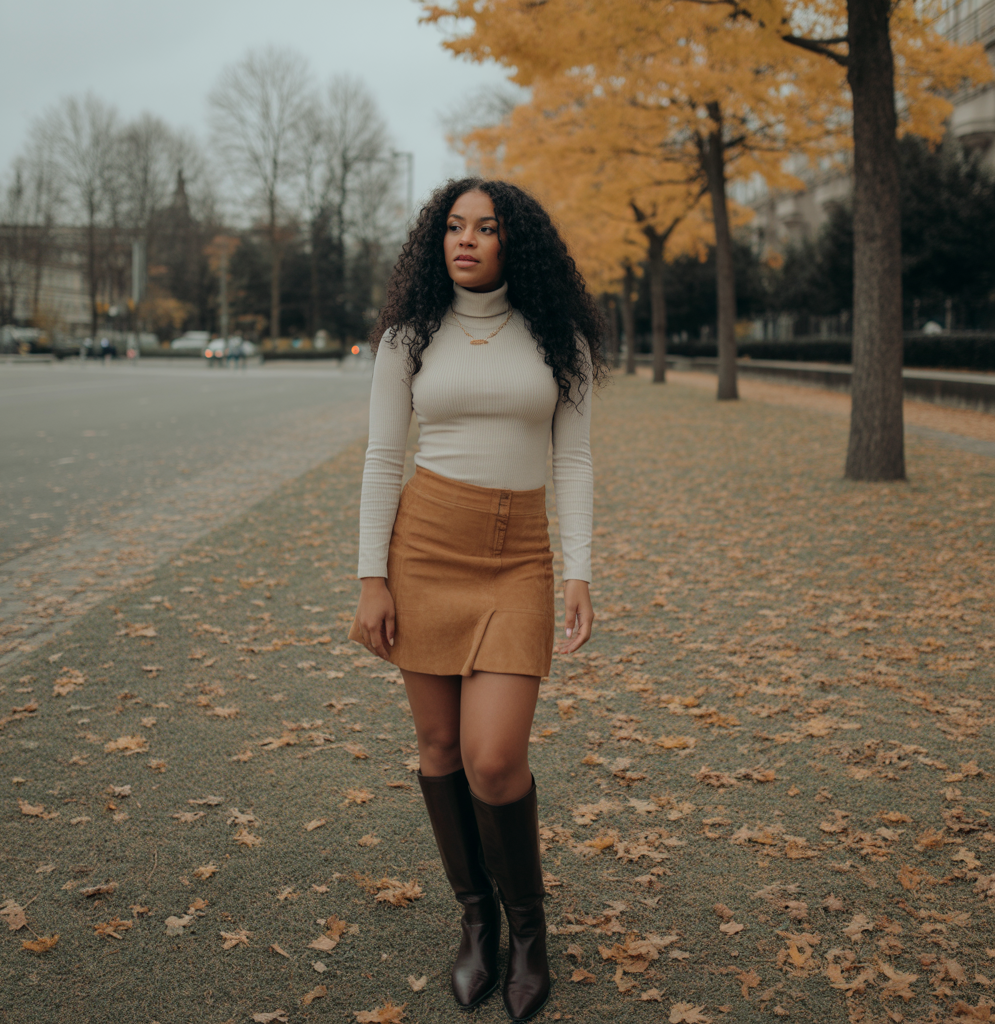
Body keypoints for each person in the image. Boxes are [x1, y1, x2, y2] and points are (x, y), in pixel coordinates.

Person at [350, 178, 605, 1021]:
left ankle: (528, 928)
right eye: (454, 227)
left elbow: (572, 459)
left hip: (517, 560)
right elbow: (383, 458)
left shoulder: (557, 338)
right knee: (439, 748)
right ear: (438, 241)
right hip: (424, 549)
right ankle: (476, 920)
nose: (466, 240)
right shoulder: (408, 337)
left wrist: (578, 570)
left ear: (513, 242)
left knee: (494, 758)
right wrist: (370, 576)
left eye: (485, 227)